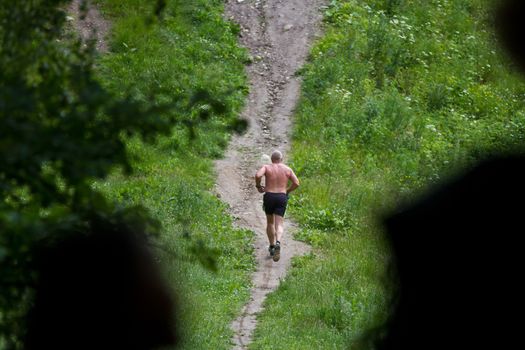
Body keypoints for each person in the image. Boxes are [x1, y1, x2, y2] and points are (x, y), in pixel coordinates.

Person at [255, 150, 300, 262]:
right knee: (279, 223)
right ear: (281, 159)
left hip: (269, 196)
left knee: (270, 222)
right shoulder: (287, 169)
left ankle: (271, 246)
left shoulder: (266, 167)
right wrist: (287, 191)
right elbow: (296, 183)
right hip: (281, 196)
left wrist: (258, 186)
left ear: (271, 159)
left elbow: (257, 175)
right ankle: (278, 242)